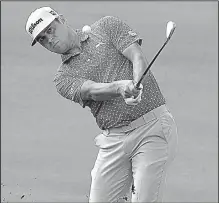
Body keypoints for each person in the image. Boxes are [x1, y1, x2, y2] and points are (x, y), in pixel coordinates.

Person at [26, 6, 178, 202]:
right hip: (114, 140)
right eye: (42, 39)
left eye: (50, 30)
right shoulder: (63, 77)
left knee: (143, 198)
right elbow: (91, 90)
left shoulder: (106, 26)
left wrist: (136, 84)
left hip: (152, 128)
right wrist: (120, 87)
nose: (50, 40)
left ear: (62, 20)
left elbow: (137, 56)